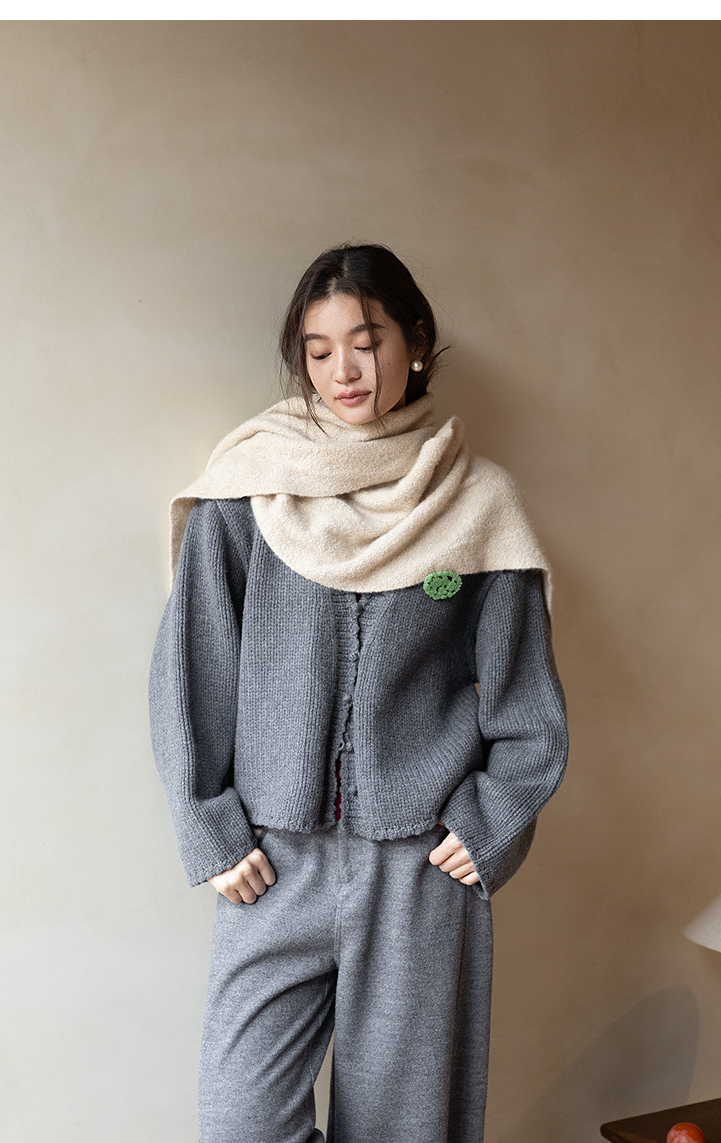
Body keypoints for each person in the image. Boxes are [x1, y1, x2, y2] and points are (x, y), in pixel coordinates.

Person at [149, 243, 569, 1143]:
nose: (344, 369)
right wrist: (210, 826)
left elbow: (527, 702)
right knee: (240, 1122)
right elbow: (192, 676)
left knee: (403, 1131)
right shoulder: (248, 494)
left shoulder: (476, 502)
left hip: (417, 872)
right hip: (273, 865)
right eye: (318, 349)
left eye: (366, 342)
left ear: (414, 340)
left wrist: (491, 821)